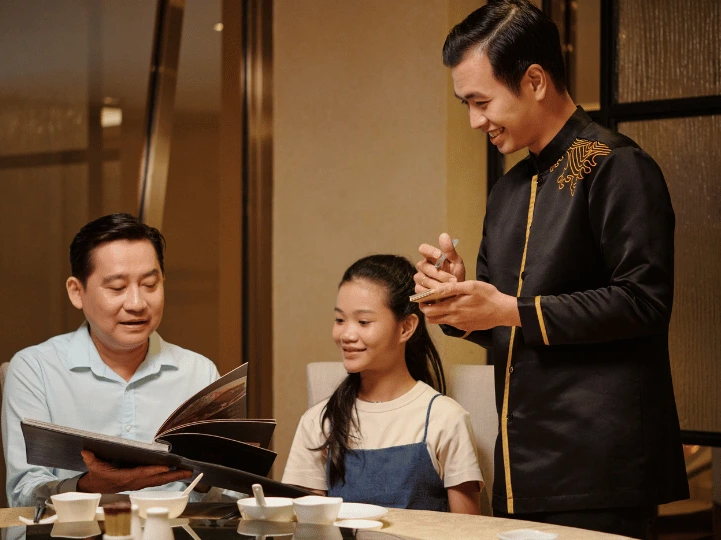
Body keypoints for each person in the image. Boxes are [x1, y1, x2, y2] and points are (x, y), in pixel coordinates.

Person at [411, 1, 688, 536]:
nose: (475, 120)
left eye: (482, 101)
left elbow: (644, 302)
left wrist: (508, 310)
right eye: (466, 104)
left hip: (601, 468)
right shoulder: (509, 190)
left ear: (535, 80)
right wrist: (458, 300)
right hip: (522, 465)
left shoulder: (615, 165)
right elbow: (503, 319)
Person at [1, 213, 219, 507]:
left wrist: (208, 480)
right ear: (77, 292)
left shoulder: (199, 373)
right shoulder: (36, 369)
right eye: (117, 288)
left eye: (150, 284)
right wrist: (87, 487)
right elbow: (23, 495)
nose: (137, 304)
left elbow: (230, 498)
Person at [282, 254, 483, 514]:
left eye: (363, 322)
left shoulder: (446, 419)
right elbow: (307, 526)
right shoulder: (319, 422)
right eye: (340, 320)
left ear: (406, 328)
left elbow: (467, 530)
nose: (346, 335)